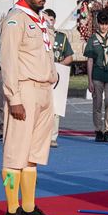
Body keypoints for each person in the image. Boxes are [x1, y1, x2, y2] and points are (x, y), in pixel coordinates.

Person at [0, 0, 59, 215]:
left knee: (33, 153)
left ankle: (29, 206)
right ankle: (12, 209)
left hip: (44, 90)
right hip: (24, 90)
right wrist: (13, 97)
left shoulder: (41, 20)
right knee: (15, 153)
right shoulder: (15, 19)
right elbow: (9, 59)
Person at [84, 12, 108, 142]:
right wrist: (89, 80)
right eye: (101, 24)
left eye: (106, 24)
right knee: (97, 104)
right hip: (97, 75)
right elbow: (90, 60)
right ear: (98, 23)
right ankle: (98, 130)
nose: (103, 26)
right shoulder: (93, 39)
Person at [44, 9, 74, 148]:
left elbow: (69, 57)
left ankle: (52, 137)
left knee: (55, 108)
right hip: (41, 75)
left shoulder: (61, 37)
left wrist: (58, 65)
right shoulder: (38, 35)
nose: (47, 21)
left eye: (50, 19)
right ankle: (40, 136)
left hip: (57, 75)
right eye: (45, 19)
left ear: (54, 21)